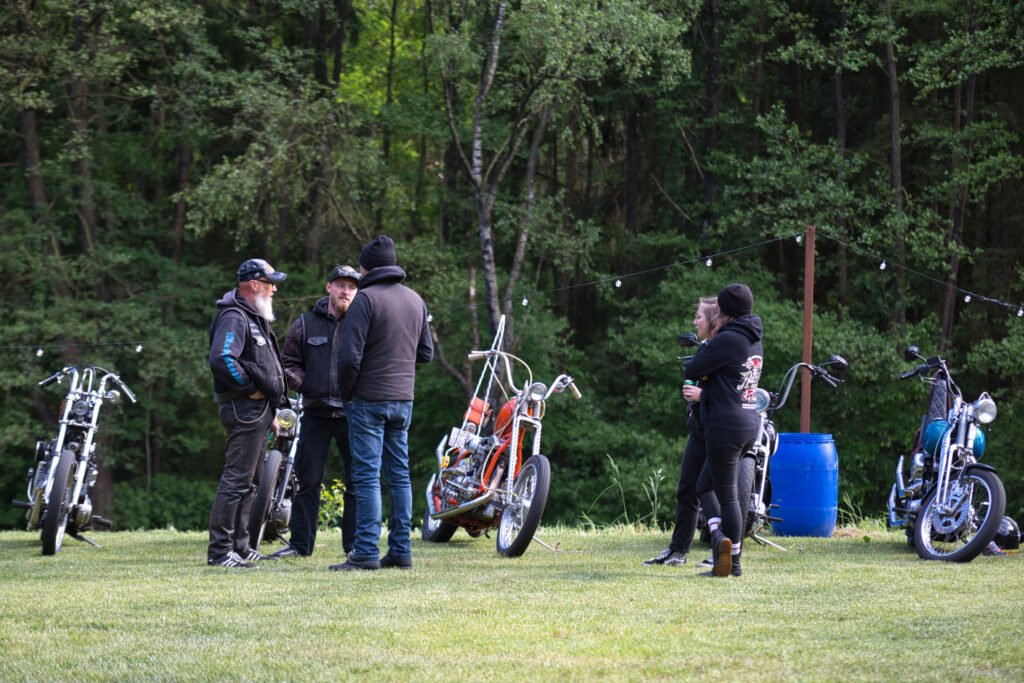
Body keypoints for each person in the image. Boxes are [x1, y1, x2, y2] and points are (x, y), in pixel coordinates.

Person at [330, 235, 433, 571]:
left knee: (367, 476)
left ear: (367, 267)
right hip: (403, 399)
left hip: (367, 400)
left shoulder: (366, 300)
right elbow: (426, 354)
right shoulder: (416, 300)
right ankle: (401, 551)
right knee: (399, 476)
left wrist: (347, 394)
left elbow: (348, 359)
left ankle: (365, 552)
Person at [271, 265, 361, 559]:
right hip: (316, 413)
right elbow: (287, 364)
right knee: (306, 481)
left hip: (354, 415)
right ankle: (300, 546)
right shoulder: (305, 323)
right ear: (328, 287)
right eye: (340, 285)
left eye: (351, 286)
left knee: (358, 482)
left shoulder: (363, 323)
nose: (345, 291)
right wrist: (307, 384)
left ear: (356, 292)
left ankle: (355, 546)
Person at [207, 258, 288, 568]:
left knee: (251, 482)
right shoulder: (234, 317)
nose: (274, 288)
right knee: (236, 480)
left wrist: (273, 408)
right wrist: (247, 388)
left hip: (259, 412)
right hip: (244, 410)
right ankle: (220, 551)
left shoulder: (254, 317)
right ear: (254, 284)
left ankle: (241, 546)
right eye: (270, 283)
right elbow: (222, 359)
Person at [684, 283, 763, 577]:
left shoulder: (729, 338)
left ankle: (732, 561)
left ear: (725, 311)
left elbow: (691, 369)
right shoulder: (753, 337)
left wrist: (708, 371)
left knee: (728, 496)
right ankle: (721, 542)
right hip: (748, 421)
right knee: (704, 486)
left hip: (725, 425)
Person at [643, 296, 726, 568]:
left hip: (722, 430)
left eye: (699, 316)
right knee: (686, 488)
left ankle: (723, 552)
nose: (695, 321)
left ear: (713, 320)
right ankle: (678, 550)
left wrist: (703, 395)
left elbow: (732, 389)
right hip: (700, 428)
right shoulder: (706, 347)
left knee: (715, 491)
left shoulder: (726, 347)